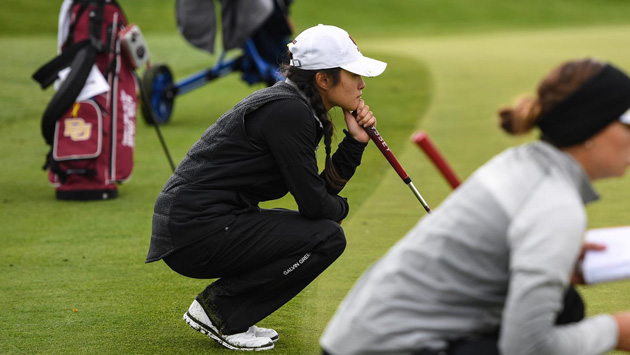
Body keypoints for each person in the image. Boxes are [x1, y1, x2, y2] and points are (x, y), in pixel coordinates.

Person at [320, 58, 630, 355]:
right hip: (383, 348)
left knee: (566, 305)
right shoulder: (556, 206)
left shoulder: (519, 161)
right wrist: (614, 330)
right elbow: (529, 347)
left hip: (353, 337)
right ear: (591, 126)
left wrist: (557, 265)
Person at [146, 24, 387, 351]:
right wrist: (341, 210)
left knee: (324, 231)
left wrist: (355, 143)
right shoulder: (289, 111)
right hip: (193, 230)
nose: (361, 84)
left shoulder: (297, 106)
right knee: (328, 236)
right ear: (323, 79)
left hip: (207, 224)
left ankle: (227, 312)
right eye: (353, 74)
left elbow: (317, 196)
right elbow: (317, 206)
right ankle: (222, 313)